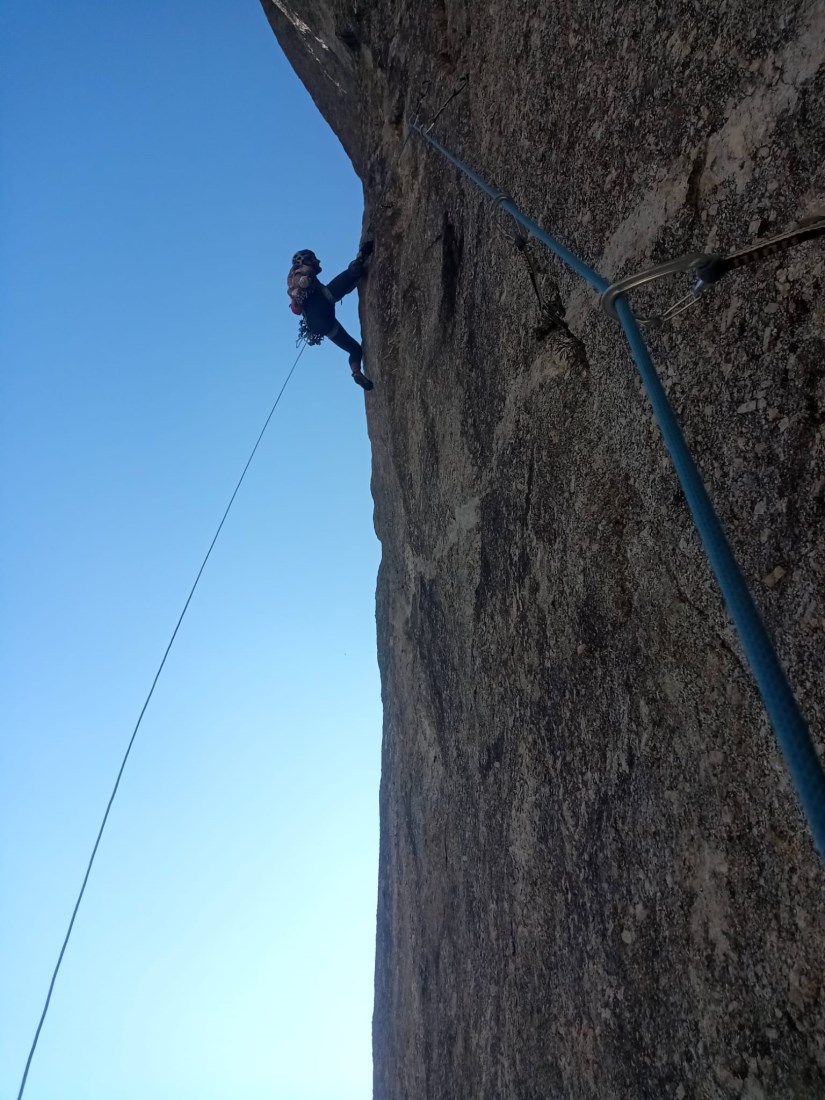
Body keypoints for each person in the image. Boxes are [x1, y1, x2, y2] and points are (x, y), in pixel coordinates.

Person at [287, 242, 374, 390]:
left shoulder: (296, 284)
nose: (317, 261)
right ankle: (362, 255)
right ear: (305, 260)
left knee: (355, 349)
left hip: (319, 325)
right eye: (313, 258)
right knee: (353, 271)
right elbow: (301, 280)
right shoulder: (299, 272)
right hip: (321, 304)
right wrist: (303, 281)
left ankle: (356, 372)